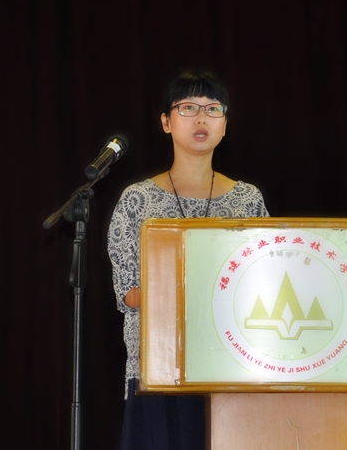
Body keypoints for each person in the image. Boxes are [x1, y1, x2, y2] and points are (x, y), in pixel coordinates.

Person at [107, 70, 269, 450]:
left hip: (230, 366)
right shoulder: (137, 201)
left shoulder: (247, 200)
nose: (201, 118)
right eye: (188, 108)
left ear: (225, 124)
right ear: (166, 121)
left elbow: (263, 283)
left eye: (213, 109)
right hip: (159, 368)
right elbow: (130, 293)